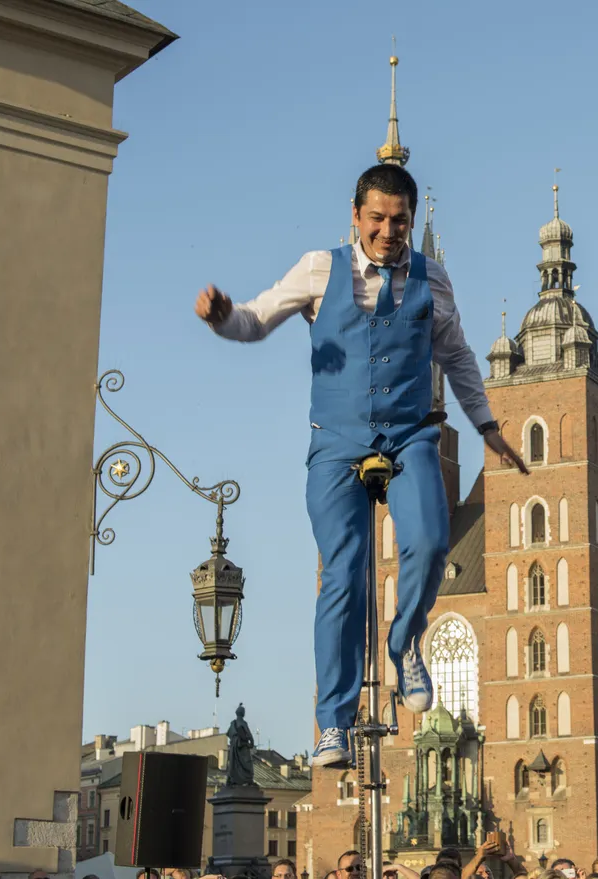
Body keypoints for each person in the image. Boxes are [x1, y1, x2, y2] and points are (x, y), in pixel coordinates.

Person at [196, 162, 527, 766]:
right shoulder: (320, 269)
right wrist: (223, 317)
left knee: (429, 545)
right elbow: (256, 318)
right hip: (337, 444)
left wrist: (485, 426)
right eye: (376, 218)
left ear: (411, 220)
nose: (388, 231)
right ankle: (334, 721)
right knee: (344, 575)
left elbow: (456, 357)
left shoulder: (433, 280)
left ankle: (403, 644)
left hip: (409, 436)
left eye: (399, 220)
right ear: (355, 216)